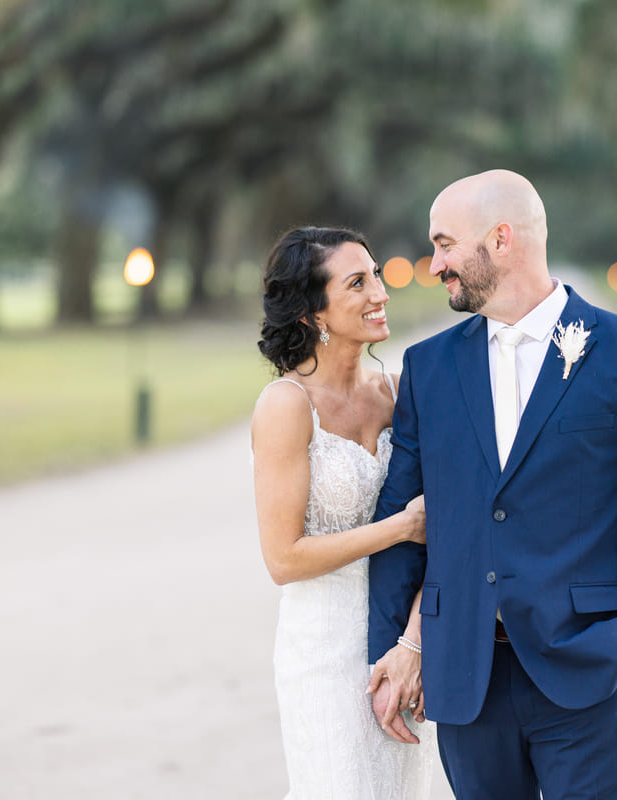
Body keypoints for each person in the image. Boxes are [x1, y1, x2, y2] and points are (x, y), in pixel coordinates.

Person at [367, 171, 617, 799]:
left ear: (500, 240)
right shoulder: (429, 367)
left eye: (445, 244)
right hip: (468, 679)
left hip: (592, 670)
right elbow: (403, 512)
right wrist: (392, 645)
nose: (435, 262)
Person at [251, 226, 439, 800]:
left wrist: (415, 643)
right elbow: (283, 560)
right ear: (314, 313)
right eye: (357, 283)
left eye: (377, 275)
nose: (380, 292)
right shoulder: (287, 406)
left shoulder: (398, 392)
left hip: (397, 640)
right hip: (323, 649)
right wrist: (402, 527)